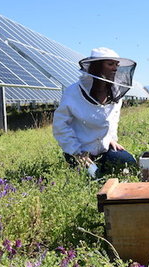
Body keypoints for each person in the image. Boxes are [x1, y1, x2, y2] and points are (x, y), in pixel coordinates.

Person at [53, 47, 137, 177]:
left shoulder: (115, 94)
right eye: (110, 64)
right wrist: (77, 153)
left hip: (104, 150)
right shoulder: (72, 93)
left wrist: (111, 139)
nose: (115, 68)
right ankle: (82, 166)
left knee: (129, 163)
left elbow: (113, 121)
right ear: (97, 67)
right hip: (79, 151)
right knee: (95, 176)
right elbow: (61, 125)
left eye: (116, 65)